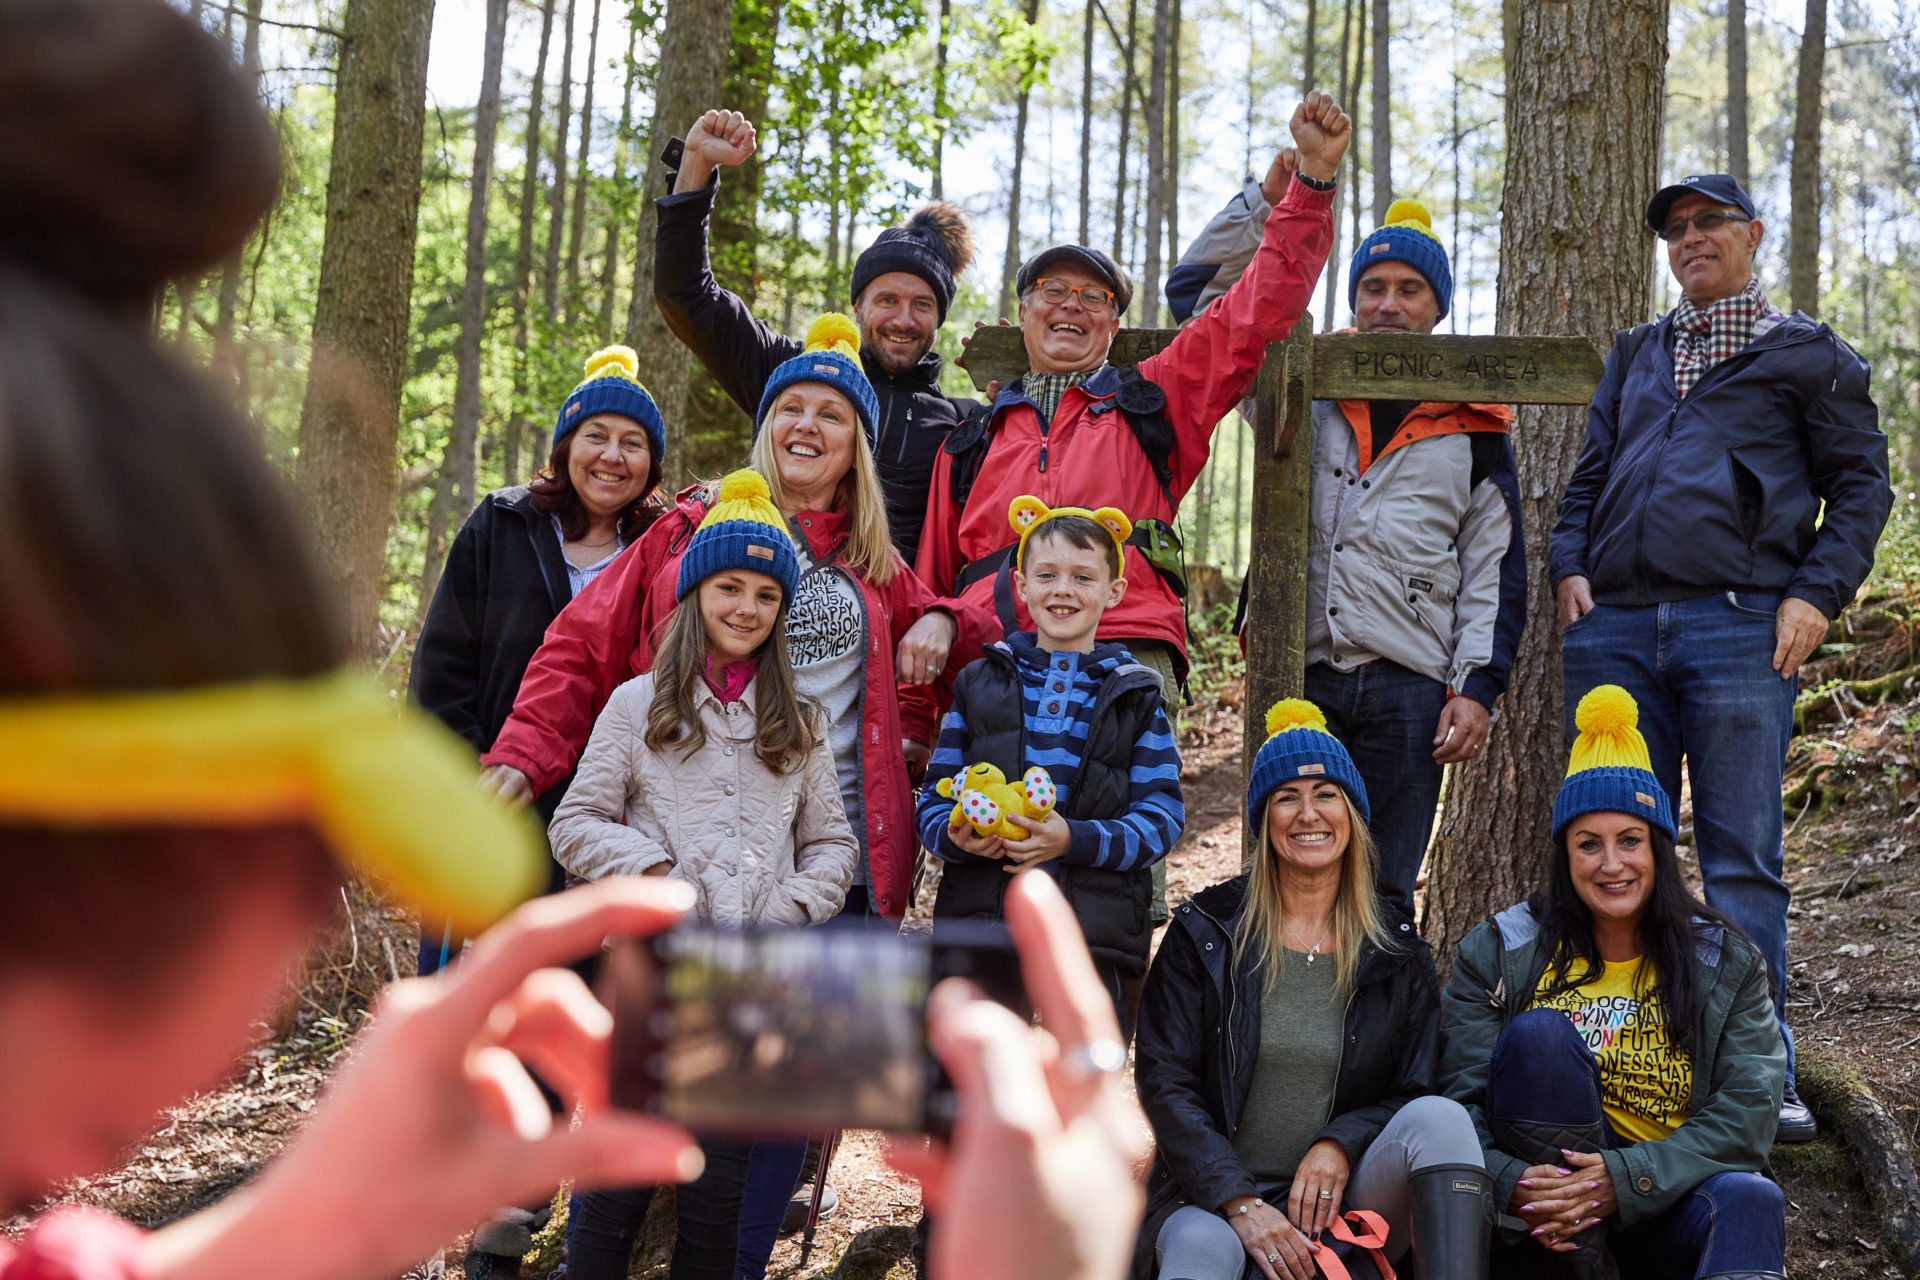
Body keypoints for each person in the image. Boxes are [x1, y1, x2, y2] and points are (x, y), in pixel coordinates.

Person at [478, 314, 994, 1262]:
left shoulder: (877, 565)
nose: (807, 425)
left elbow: (987, 621)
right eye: (789, 407)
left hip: (837, 864)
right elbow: (583, 644)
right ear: (765, 425)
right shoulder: (691, 524)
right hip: (693, 861)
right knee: (655, 1104)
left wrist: (952, 621)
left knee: (785, 1115)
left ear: (858, 446)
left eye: (831, 414)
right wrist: (521, 753)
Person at [1550, 172, 1892, 1143]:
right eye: (1675, 228)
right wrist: (1572, 567)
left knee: (1741, 856)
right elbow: (1588, 477)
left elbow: (1863, 488)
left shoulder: (1806, 353)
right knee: (1620, 845)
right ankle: (1626, 1056)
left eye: (1708, 223)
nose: (1690, 237)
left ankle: (1756, 1064)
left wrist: (1813, 594)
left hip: (1742, 626)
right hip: (1614, 629)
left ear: (1752, 233)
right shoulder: (1638, 353)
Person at [915, 91, 1350, 714]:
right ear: (1022, 313)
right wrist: (913, 722)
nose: (1072, 304)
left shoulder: (1156, 399)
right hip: (993, 666)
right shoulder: (968, 442)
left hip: (1125, 656)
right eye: (1053, 289)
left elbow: (1258, 310)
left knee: (1128, 817)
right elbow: (929, 596)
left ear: (1114, 326)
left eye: (1095, 298)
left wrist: (1312, 184)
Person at [1174, 180, 1525, 919]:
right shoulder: (1298, 378)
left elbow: (1494, 563)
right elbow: (1193, 302)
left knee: (1387, 890)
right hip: (1299, 670)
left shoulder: (1477, 420)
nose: (1389, 304)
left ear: (1438, 309)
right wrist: (1266, 204)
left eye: (1409, 290)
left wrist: (1476, 686)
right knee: (1282, 886)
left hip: (1413, 683)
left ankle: (1380, 1034)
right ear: (1354, 297)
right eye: (1372, 287)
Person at [550, 469, 857, 1280]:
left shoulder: (802, 724)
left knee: (715, 1204)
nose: (746, 608)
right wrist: (652, 872)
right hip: (649, 977)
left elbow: (833, 845)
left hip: (750, 987)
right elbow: (573, 825)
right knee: (613, 1194)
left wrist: (789, 909)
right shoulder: (637, 704)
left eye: (765, 594)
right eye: (729, 587)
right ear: (695, 593)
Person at [1132, 700, 1491, 1280]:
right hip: (1211, 1202)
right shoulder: (1206, 932)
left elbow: (1415, 1089)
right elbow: (1164, 1082)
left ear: (1351, 812)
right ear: (1263, 818)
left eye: (1326, 793)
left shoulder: (1395, 949)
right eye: (1285, 797)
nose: (1308, 814)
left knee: (1441, 1119)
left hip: (1342, 1205)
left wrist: (1339, 1143)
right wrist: (1240, 1202)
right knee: (1201, 1256)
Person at [1438, 685, 1788, 1280]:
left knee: (1753, 1199)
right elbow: (1455, 1098)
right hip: (1541, 1222)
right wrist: (1511, 1182)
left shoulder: (1725, 959)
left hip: (1666, 1198)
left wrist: (1625, 1181)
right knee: (1541, 1038)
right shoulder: (1501, 950)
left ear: (1658, 847)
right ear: (1564, 855)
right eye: (1588, 844)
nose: (1611, 864)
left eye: (1630, 840)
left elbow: (1748, 1113)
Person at [411, 344, 666, 974]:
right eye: (595, 436)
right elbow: (441, 667)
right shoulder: (500, 524)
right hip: (497, 795)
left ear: (652, 464)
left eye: (633, 443)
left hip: (609, 812)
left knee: (579, 987)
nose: (612, 456)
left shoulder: (663, 549)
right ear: (565, 447)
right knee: (477, 982)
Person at [654, 108, 977, 565]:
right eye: (887, 300)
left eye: (921, 305)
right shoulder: (791, 374)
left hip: (894, 619)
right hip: (765, 606)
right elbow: (684, 295)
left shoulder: (961, 425)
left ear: (939, 318)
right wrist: (696, 164)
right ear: (858, 307)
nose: (903, 319)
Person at [916, 499, 1184, 1025]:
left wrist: (1073, 840)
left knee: (1081, 1068)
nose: (1063, 589)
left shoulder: (1134, 695)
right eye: (1047, 574)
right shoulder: (979, 682)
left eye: (1083, 577)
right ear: (1020, 584)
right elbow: (935, 795)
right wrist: (954, 837)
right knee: (982, 1074)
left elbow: (1162, 818)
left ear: (1115, 592)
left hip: (1091, 931)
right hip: (985, 923)